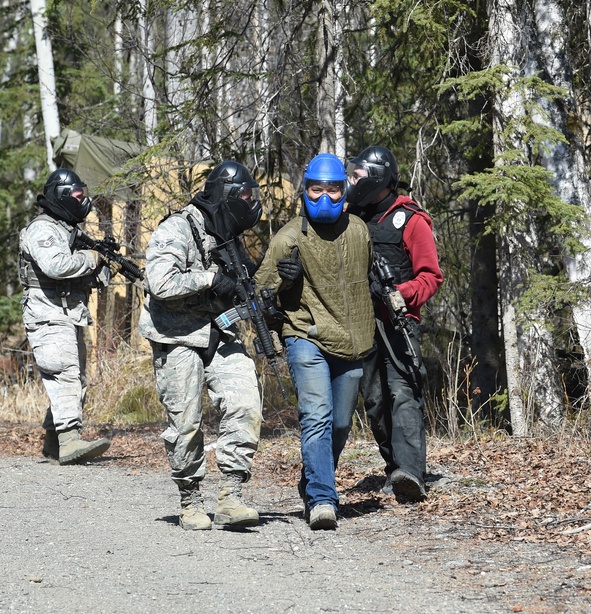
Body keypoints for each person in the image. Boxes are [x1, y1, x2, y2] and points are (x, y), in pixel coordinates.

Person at [139, 160, 264, 531]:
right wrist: (210, 279)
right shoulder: (177, 227)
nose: (250, 202)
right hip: (177, 337)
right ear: (225, 195)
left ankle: (231, 495)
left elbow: (243, 287)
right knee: (186, 423)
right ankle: (190, 498)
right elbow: (160, 283)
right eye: (244, 195)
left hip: (220, 334)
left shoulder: (230, 234)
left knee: (246, 402)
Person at [254, 153, 374, 530]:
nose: (325, 197)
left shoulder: (358, 231)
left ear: (346, 190)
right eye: (316, 189)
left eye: (334, 189)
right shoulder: (288, 238)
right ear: (304, 191)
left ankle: (312, 480)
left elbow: (365, 282)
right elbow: (259, 295)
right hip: (305, 335)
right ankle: (323, 498)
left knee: (340, 424)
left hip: (351, 341)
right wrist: (285, 282)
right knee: (317, 417)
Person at [346, 146, 442, 503]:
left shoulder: (411, 219)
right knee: (374, 400)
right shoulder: (350, 217)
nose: (351, 181)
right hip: (359, 325)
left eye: (357, 175)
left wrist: (399, 294)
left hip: (398, 323)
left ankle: (411, 472)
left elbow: (430, 276)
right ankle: (394, 469)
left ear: (378, 177)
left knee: (403, 394)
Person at [18, 168, 111, 465]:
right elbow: (57, 266)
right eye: (77, 195)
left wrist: (104, 267)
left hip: (68, 313)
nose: (82, 201)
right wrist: (92, 259)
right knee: (65, 374)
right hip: (46, 313)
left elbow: (79, 273)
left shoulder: (65, 229)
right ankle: (70, 440)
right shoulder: (41, 229)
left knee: (75, 380)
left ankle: (53, 443)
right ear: (61, 195)